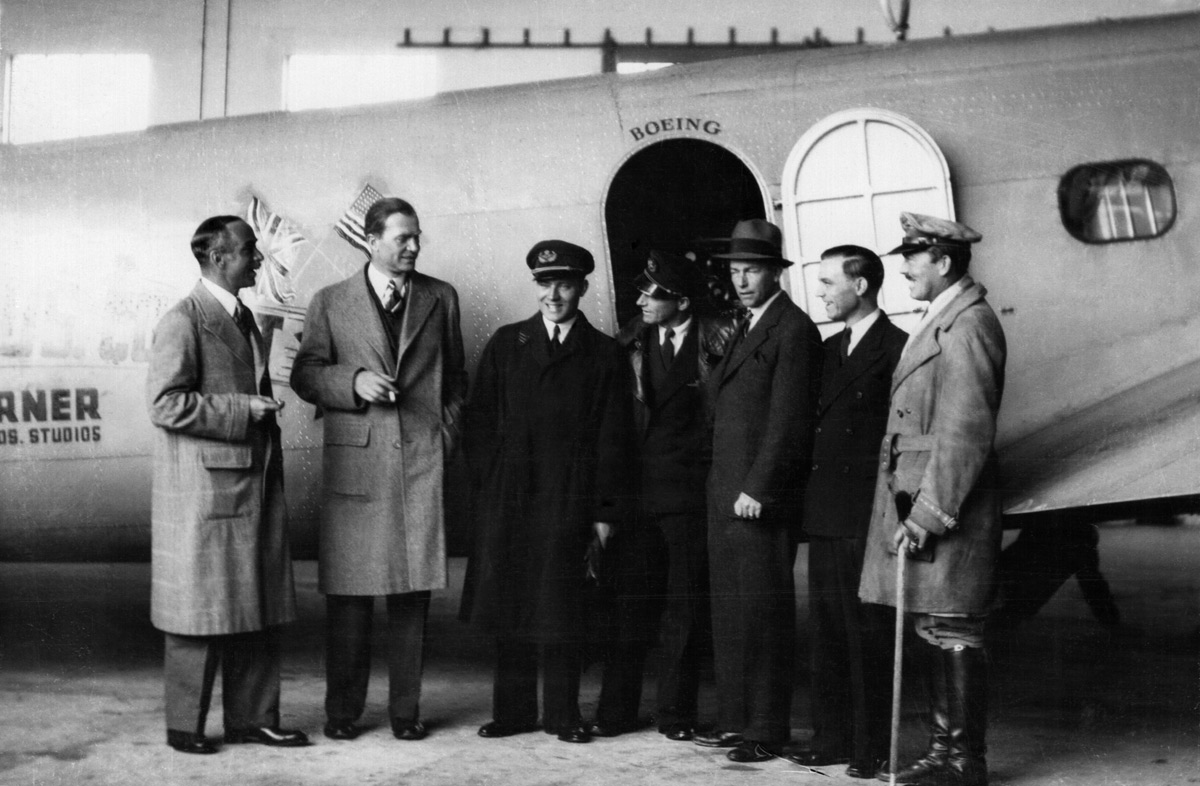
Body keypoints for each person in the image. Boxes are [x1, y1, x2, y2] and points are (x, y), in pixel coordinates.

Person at [290, 197, 467, 742]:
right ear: (371, 241)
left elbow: (457, 380)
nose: (414, 246)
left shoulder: (442, 297)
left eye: (417, 237)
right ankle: (342, 714)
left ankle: (405, 715)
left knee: (411, 599)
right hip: (357, 468)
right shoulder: (330, 301)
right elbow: (305, 375)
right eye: (402, 238)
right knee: (349, 602)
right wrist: (352, 384)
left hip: (419, 464)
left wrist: (444, 435)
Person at [146, 215, 308, 754]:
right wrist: (244, 409)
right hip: (208, 495)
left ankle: (253, 719)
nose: (257, 259)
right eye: (248, 251)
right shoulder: (183, 320)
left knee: (256, 608)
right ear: (218, 258)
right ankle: (184, 727)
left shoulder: (243, 316)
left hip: (251, 486)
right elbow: (165, 403)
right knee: (199, 616)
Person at [460, 240, 631, 744]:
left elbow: (614, 437)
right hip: (511, 498)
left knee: (563, 606)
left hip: (569, 497)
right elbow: (480, 421)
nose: (552, 294)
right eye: (544, 284)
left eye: (563, 284)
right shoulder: (507, 343)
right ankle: (512, 713)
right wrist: (491, 483)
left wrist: (603, 510)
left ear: (581, 288)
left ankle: (563, 715)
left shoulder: (604, 354)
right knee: (512, 602)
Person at [858, 213, 1006, 786]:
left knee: (955, 628)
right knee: (933, 627)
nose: (903, 267)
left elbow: (966, 432)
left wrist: (926, 514)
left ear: (943, 262)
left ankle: (964, 761)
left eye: (913, 257)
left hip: (948, 506)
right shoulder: (943, 319)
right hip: (920, 499)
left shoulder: (968, 324)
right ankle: (945, 754)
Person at [590, 250, 736, 741]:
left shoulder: (720, 338)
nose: (640, 301)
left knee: (683, 607)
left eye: (651, 294)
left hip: (691, 498)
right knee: (629, 604)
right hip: (637, 497)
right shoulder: (629, 340)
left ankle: (675, 714)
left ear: (682, 300)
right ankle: (615, 711)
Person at [695, 219, 823, 763]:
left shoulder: (793, 330)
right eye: (735, 270)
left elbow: (789, 423)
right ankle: (736, 720)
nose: (742, 279)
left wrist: (759, 488)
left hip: (755, 499)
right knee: (731, 613)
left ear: (775, 273)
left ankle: (767, 728)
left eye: (752, 270)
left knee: (764, 614)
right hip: (725, 494)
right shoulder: (747, 325)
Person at [785, 246, 906, 778]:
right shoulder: (830, 348)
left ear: (861, 286)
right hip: (827, 512)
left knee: (868, 636)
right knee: (829, 632)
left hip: (866, 513)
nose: (822, 292)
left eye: (830, 282)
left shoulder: (899, 347)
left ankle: (872, 745)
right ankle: (832, 737)